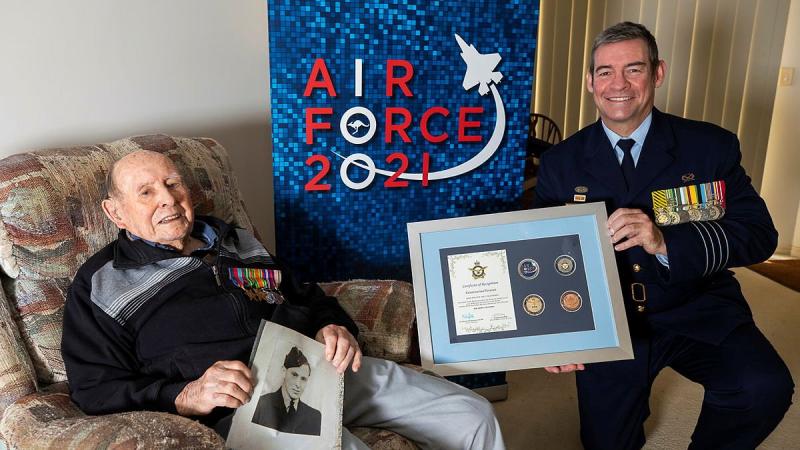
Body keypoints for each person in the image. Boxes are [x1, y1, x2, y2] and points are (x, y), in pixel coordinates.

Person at [61, 150, 505, 450]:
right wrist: (186, 394)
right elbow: (94, 389)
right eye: (146, 192)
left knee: (471, 413)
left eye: (173, 184)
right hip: (246, 402)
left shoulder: (235, 240)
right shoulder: (101, 284)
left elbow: (306, 295)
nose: (168, 200)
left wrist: (333, 327)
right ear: (115, 212)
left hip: (318, 366)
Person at [534, 21, 794, 450]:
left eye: (634, 69)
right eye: (605, 72)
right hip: (610, 321)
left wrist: (665, 242)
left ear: (657, 73)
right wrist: (555, 334)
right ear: (590, 82)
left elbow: (758, 234)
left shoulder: (709, 147)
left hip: (696, 304)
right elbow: (542, 258)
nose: (619, 84)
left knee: (762, 388)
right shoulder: (561, 162)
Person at [251, 347, 321, 436]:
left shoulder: (315, 416)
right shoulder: (261, 404)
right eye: (294, 375)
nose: (298, 384)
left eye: (303, 379)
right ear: (284, 371)